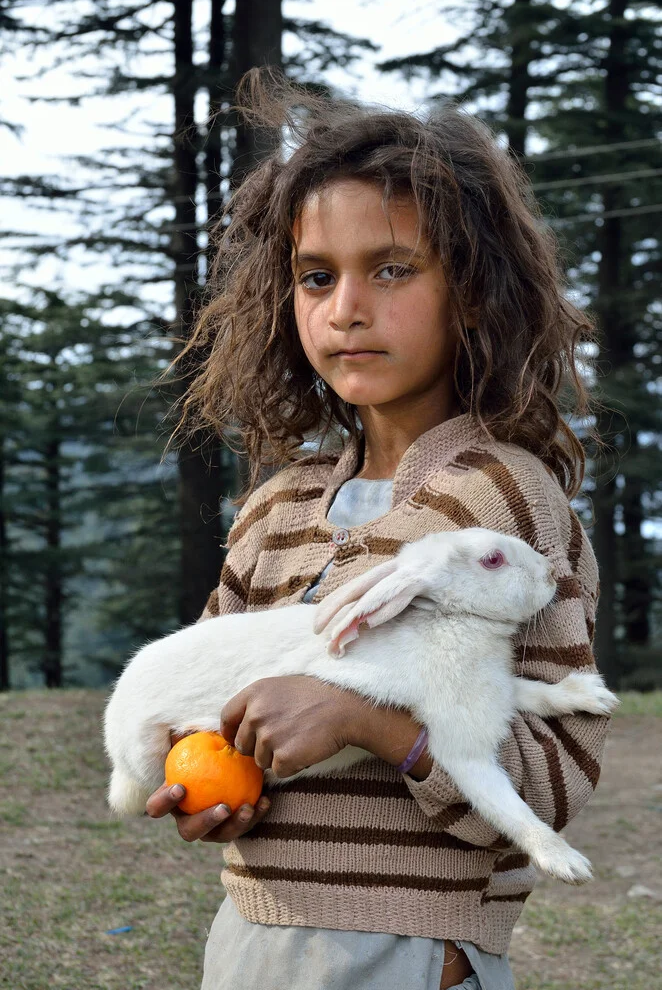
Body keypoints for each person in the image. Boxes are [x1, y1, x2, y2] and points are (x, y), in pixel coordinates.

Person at [146, 69, 609, 990]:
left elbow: (556, 778)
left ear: (472, 292)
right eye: (316, 276)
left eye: (391, 268)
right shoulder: (275, 509)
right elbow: (208, 682)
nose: (345, 306)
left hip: (410, 957)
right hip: (248, 941)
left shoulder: (505, 505)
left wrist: (365, 719)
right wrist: (198, 769)